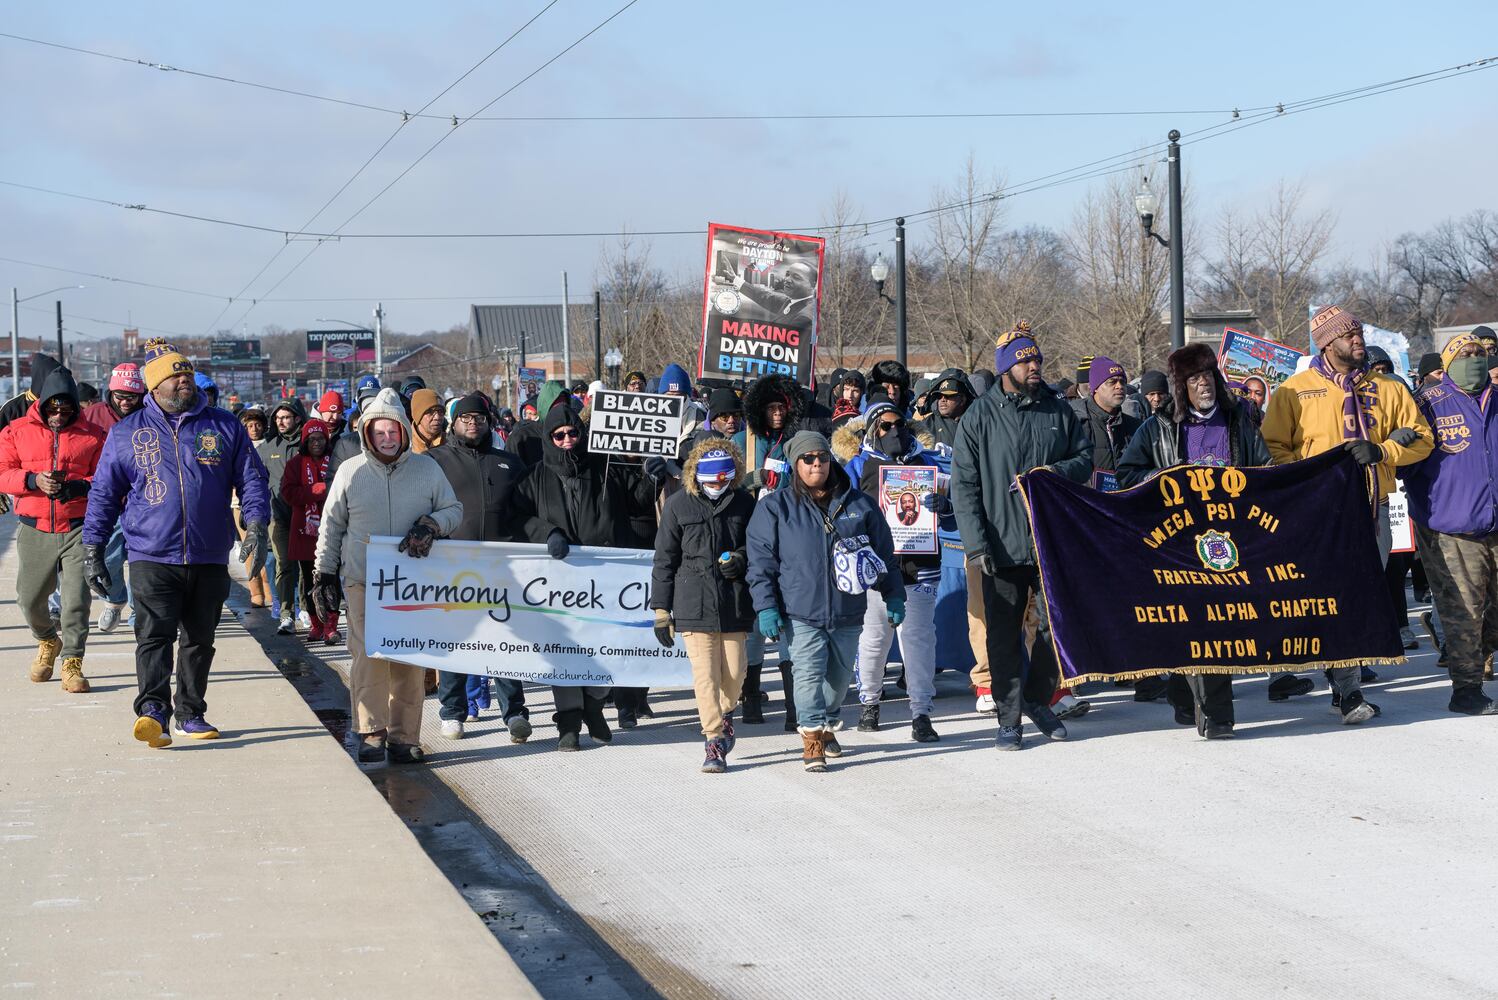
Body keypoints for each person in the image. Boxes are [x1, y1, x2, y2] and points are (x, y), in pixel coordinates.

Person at [83, 339, 270, 747]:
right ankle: (153, 711)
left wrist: (257, 522)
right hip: (151, 553)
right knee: (154, 636)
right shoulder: (127, 432)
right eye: (175, 376)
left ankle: (190, 713)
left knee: (200, 640)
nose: (184, 380)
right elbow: (103, 494)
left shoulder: (223, 425)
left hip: (208, 553)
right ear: (155, 386)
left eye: (186, 373)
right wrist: (93, 547)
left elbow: (252, 478)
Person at [1261, 306, 1433, 723]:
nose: (1358, 340)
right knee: (1319, 598)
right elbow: (1272, 446)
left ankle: (1347, 689)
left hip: (1373, 508)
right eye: (1348, 335)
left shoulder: (1389, 388)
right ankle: (1314, 674)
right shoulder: (1294, 391)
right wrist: (1309, 478)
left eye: (1359, 333)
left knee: (1357, 596)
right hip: (1316, 514)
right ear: (1326, 344)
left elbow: (1423, 438)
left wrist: (1383, 451)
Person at [1117, 344, 1273, 737]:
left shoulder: (1239, 422)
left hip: (1231, 538)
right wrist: (1164, 477)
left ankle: (1198, 701)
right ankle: (1206, 709)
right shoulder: (1158, 427)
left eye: (1207, 376)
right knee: (1198, 623)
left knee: (1221, 623)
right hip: (1180, 540)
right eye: (1194, 379)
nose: (1203, 384)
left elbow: (1266, 469)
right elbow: (1127, 473)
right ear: (1181, 387)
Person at [952, 321, 1092, 750]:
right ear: (1005, 367)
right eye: (1025, 360)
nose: (1034, 366)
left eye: (1037, 359)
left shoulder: (1057, 410)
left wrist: (1054, 472)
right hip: (999, 544)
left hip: (1050, 542)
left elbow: (1085, 457)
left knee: (1060, 629)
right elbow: (964, 485)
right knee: (1002, 636)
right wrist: (976, 545)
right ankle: (1009, 718)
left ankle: (1036, 698)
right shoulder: (979, 415)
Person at [314, 388, 462, 765]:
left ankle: (403, 737)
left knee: (409, 661)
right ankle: (371, 731)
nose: (387, 438)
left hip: (412, 585)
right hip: (364, 581)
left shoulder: (427, 469)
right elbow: (331, 526)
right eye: (379, 432)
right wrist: (324, 572)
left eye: (393, 431)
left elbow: (453, 509)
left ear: (403, 431)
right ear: (367, 433)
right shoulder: (351, 472)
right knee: (369, 657)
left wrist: (432, 524)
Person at [748, 431, 901, 771]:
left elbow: (884, 555)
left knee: (839, 681)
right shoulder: (775, 507)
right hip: (800, 610)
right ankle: (812, 735)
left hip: (848, 609)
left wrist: (894, 595)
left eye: (822, 457)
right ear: (795, 464)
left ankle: (828, 722)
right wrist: (766, 606)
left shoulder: (859, 504)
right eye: (808, 458)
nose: (816, 463)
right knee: (807, 673)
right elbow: (760, 563)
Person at [511, 403, 657, 751]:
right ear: (549, 438)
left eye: (573, 433)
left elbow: (638, 503)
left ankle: (594, 705)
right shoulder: (533, 477)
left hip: (605, 578)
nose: (567, 440)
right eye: (559, 435)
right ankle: (569, 721)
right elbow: (517, 517)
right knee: (565, 650)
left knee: (605, 646)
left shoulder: (605, 467)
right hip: (558, 580)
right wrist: (547, 533)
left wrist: (652, 476)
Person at [427, 393, 534, 743]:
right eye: (466, 418)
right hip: (452, 566)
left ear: (489, 422)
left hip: (501, 567)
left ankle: (515, 713)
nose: (473, 423)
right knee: (456, 640)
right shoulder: (434, 461)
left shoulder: (508, 463)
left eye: (479, 418)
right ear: (454, 422)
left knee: (503, 640)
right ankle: (452, 712)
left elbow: (527, 512)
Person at [1402, 332, 1498, 715]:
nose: (1474, 359)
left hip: (1495, 521)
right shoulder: (1428, 403)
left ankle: (1467, 653)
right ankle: (1466, 690)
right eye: (1465, 354)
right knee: (1464, 611)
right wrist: (1399, 442)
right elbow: (1404, 463)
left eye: (1479, 353)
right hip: (1450, 526)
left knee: (1485, 617)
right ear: (1447, 364)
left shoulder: (1497, 398)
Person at [0, 365, 106, 694]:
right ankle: (48, 639)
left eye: (66, 409)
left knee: (76, 600)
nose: (59, 415)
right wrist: (33, 480)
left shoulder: (93, 435)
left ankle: (72, 661)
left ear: (75, 407)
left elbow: (106, 478)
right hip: (34, 527)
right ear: (42, 404)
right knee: (29, 599)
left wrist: (79, 487)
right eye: (53, 409)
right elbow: (2, 473)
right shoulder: (16, 431)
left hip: (78, 526)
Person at [652, 441, 756, 772]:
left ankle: (725, 714)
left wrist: (740, 559)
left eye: (722, 480)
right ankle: (713, 740)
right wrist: (661, 610)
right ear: (697, 476)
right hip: (692, 601)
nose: (716, 486)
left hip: (733, 601)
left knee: (736, 673)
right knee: (705, 677)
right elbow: (664, 559)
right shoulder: (678, 505)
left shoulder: (744, 503)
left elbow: (756, 546)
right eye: (710, 481)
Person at [843, 400, 944, 742]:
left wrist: (943, 507)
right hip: (877, 566)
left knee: (918, 641)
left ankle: (921, 713)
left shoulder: (927, 462)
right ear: (873, 429)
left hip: (920, 564)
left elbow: (955, 510)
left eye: (899, 424)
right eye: (885, 426)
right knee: (874, 639)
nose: (894, 431)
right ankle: (869, 702)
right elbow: (841, 512)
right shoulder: (859, 465)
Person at [81, 363, 147, 631]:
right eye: (120, 396)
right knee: (108, 558)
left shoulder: (150, 414)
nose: (126, 402)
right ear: (110, 393)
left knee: (143, 562)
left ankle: (138, 611)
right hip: (108, 500)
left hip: (142, 501)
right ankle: (114, 600)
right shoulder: (92, 415)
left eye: (132, 397)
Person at [280, 418, 338, 644]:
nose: (316, 443)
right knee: (309, 580)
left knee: (330, 579)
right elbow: (288, 493)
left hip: (331, 529)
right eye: (312, 439)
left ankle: (331, 626)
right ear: (305, 441)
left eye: (321, 438)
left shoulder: (335, 462)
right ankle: (316, 624)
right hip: (305, 530)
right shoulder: (295, 464)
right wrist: (317, 490)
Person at [263, 396, 308, 634]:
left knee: (306, 564)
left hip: (306, 513)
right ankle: (286, 613)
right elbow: (257, 480)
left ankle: (306, 609)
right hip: (277, 514)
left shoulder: (310, 443)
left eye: (286, 417)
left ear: (298, 418)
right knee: (283, 563)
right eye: (277, 418)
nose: (280, 422)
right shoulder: (268, 447)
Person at [1077, 355, 1142, 487]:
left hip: (1125, 497)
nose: (1119, 386)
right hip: (1086, 498)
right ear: (1095, 387)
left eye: (1122, 381)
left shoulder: (1135, 427)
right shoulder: (1077, 423)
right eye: (1112, 382)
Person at [409, 388, 446, 453]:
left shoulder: (450, 444)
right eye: (430, 412)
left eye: (440, 411)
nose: (437, 417)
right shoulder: (404, 445)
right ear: (418, 415)